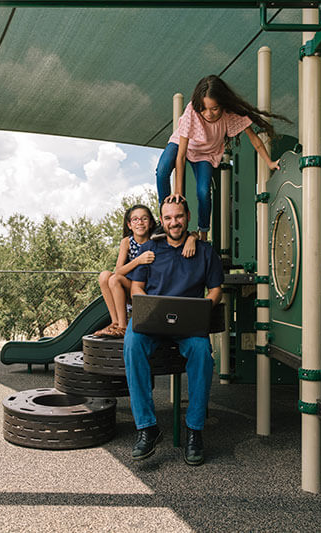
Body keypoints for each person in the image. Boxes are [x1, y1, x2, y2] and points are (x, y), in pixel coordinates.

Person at [123, 196, 224, 466]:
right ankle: (147, 427)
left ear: (187, 217)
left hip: (189, 325)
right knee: (132, 344)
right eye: (168, 218)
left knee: (202, 352)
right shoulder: (150, 249)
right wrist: (144, 304)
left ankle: (195, 430)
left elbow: (216, 291)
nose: (173, 222)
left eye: (178, 216)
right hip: (152, 322)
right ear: (162, 221)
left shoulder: (205, 252)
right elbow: (136, 288)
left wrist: (204, 307)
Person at [156, 74, 290, 241]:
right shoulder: (193, 109)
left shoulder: (230, 113)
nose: (209, 114)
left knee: (204, 192)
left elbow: (254, 140)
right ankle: (163, 220)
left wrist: (269, 162)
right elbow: (181, 155)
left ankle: (203, 233)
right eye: (204, 109)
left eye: (214, 109)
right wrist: (178, 192)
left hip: (206, 153)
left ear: (223, 104)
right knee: (162, 171)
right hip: (183, 144)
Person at [93, 204, 198, 338]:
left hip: (145, 289)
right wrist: (138, 260)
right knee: (105, 276)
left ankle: (123, 327)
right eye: (135, 220)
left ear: (151, 223)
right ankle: (116, 322)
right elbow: (118, 270)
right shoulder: (127, 242)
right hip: (128, 285)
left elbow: (187, 233)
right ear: (129, 225)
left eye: (144, 219)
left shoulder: (155, 239)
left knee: (114, 279)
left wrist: (192, 238)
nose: (140, 223)